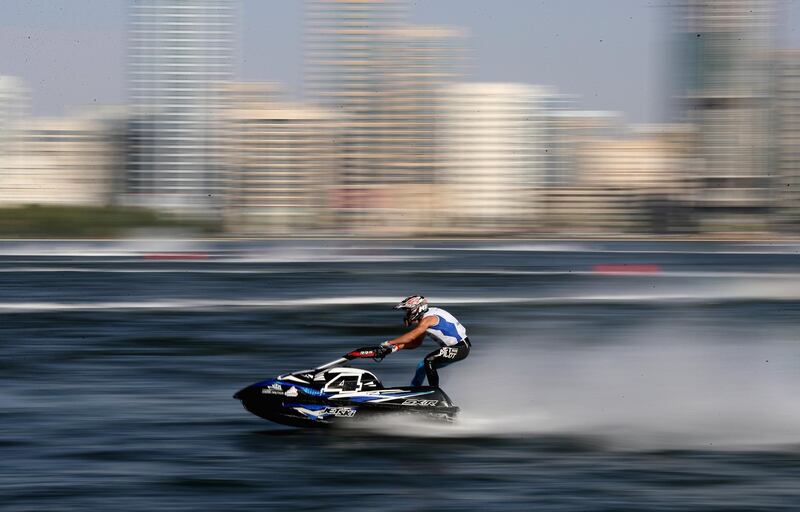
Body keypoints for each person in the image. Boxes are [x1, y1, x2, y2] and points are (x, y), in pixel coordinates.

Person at [379, 295, 471, 388]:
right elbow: (416, 343)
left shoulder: (428, 319)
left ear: (417, 309)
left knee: (429, 360)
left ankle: (435, 391)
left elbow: (411, 336)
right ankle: (413, 390)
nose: (407, 314)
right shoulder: (424, 320)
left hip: (461, 347)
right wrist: (393, 349)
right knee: (421, 366)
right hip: (455, 348)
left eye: (408, 311)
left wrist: (388, 343)